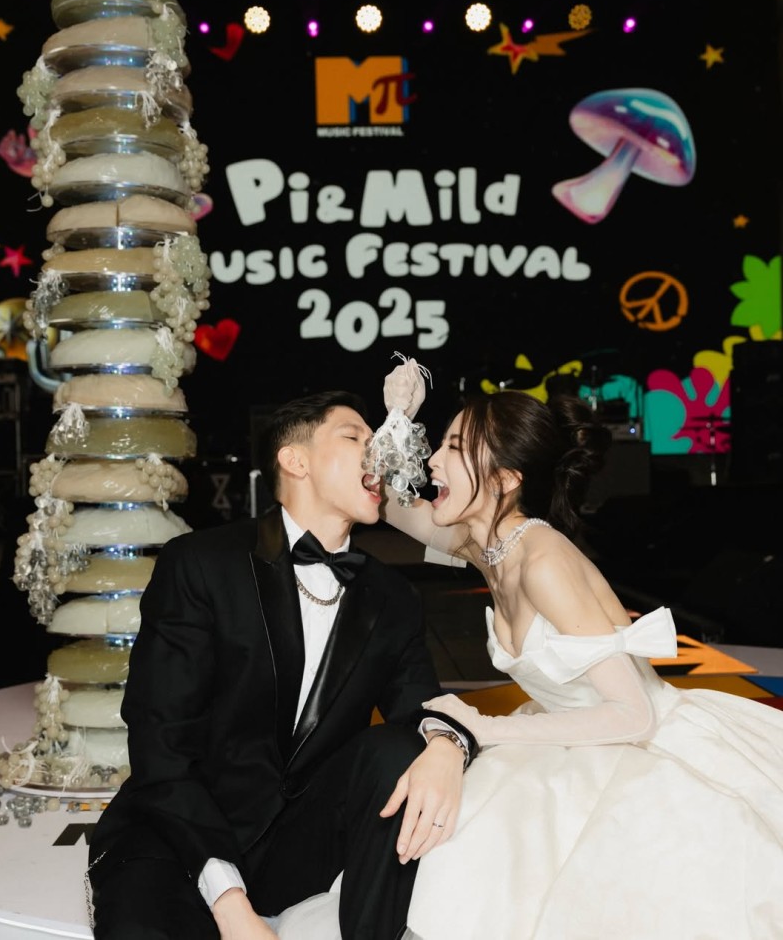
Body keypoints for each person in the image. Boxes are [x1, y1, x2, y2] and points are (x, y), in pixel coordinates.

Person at [381, 377, 783, 940]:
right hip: (569, 738)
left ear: (504, 479)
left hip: (640, 746)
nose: (433, 463)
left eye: (453, 447)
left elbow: (635, 715)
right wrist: (398, 417)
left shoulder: (542, 561)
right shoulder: (486, 546)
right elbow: (388, 504)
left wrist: (487, 728)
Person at [87, 389, 477, 940]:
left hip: (302, 846)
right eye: (354, 437)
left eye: (378, 441)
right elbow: (161, 745)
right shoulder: (201, 564)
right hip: (182, 835)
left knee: (403, 746)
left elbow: (420, 705)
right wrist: (231, 906)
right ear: (295, 461)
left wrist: (446, 745)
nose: (378, 453)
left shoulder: (393, 597)